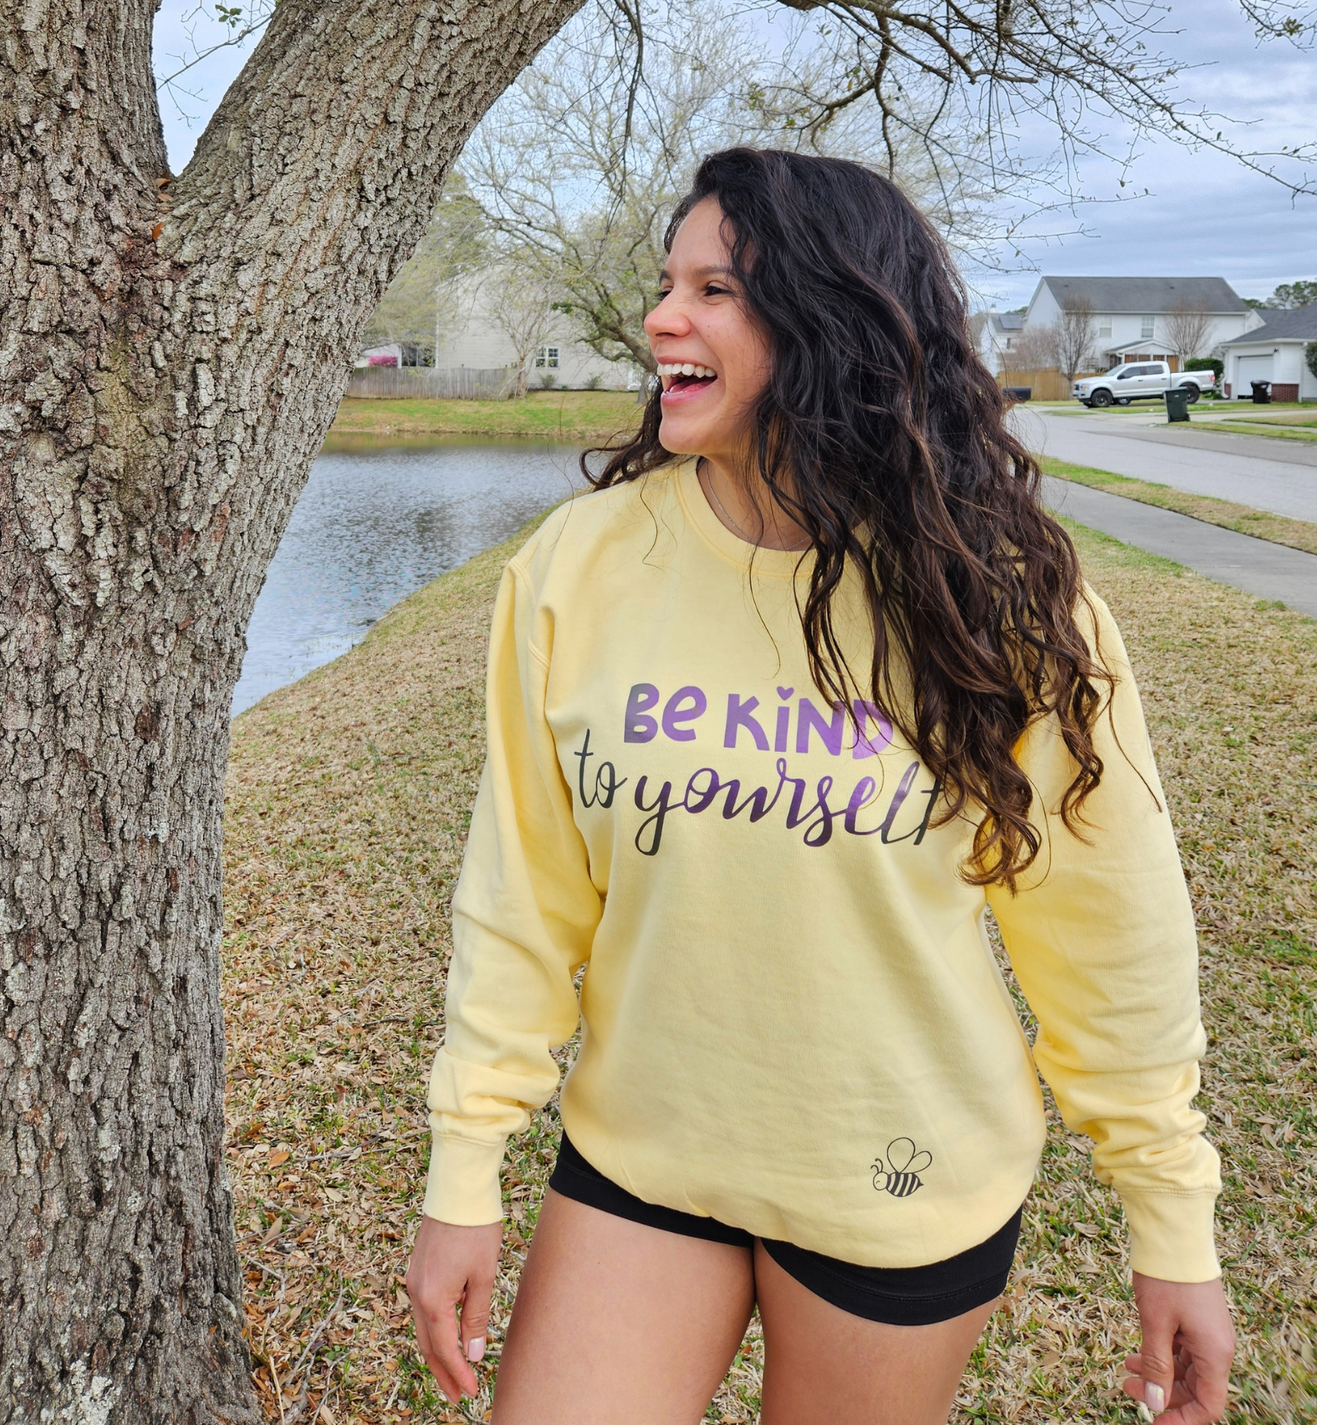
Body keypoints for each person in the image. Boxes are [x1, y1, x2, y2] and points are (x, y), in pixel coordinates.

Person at [407, 149, 1234, 1424]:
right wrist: (463, 1167)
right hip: (645, 1155)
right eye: (663, 283)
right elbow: (524, 892)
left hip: (895, 1183)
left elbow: (1109, 932)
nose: (660, 320)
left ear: (829, 318)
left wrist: (1168, 1217)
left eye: (715, 289)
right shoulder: (581, 563)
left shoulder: (999, 601)